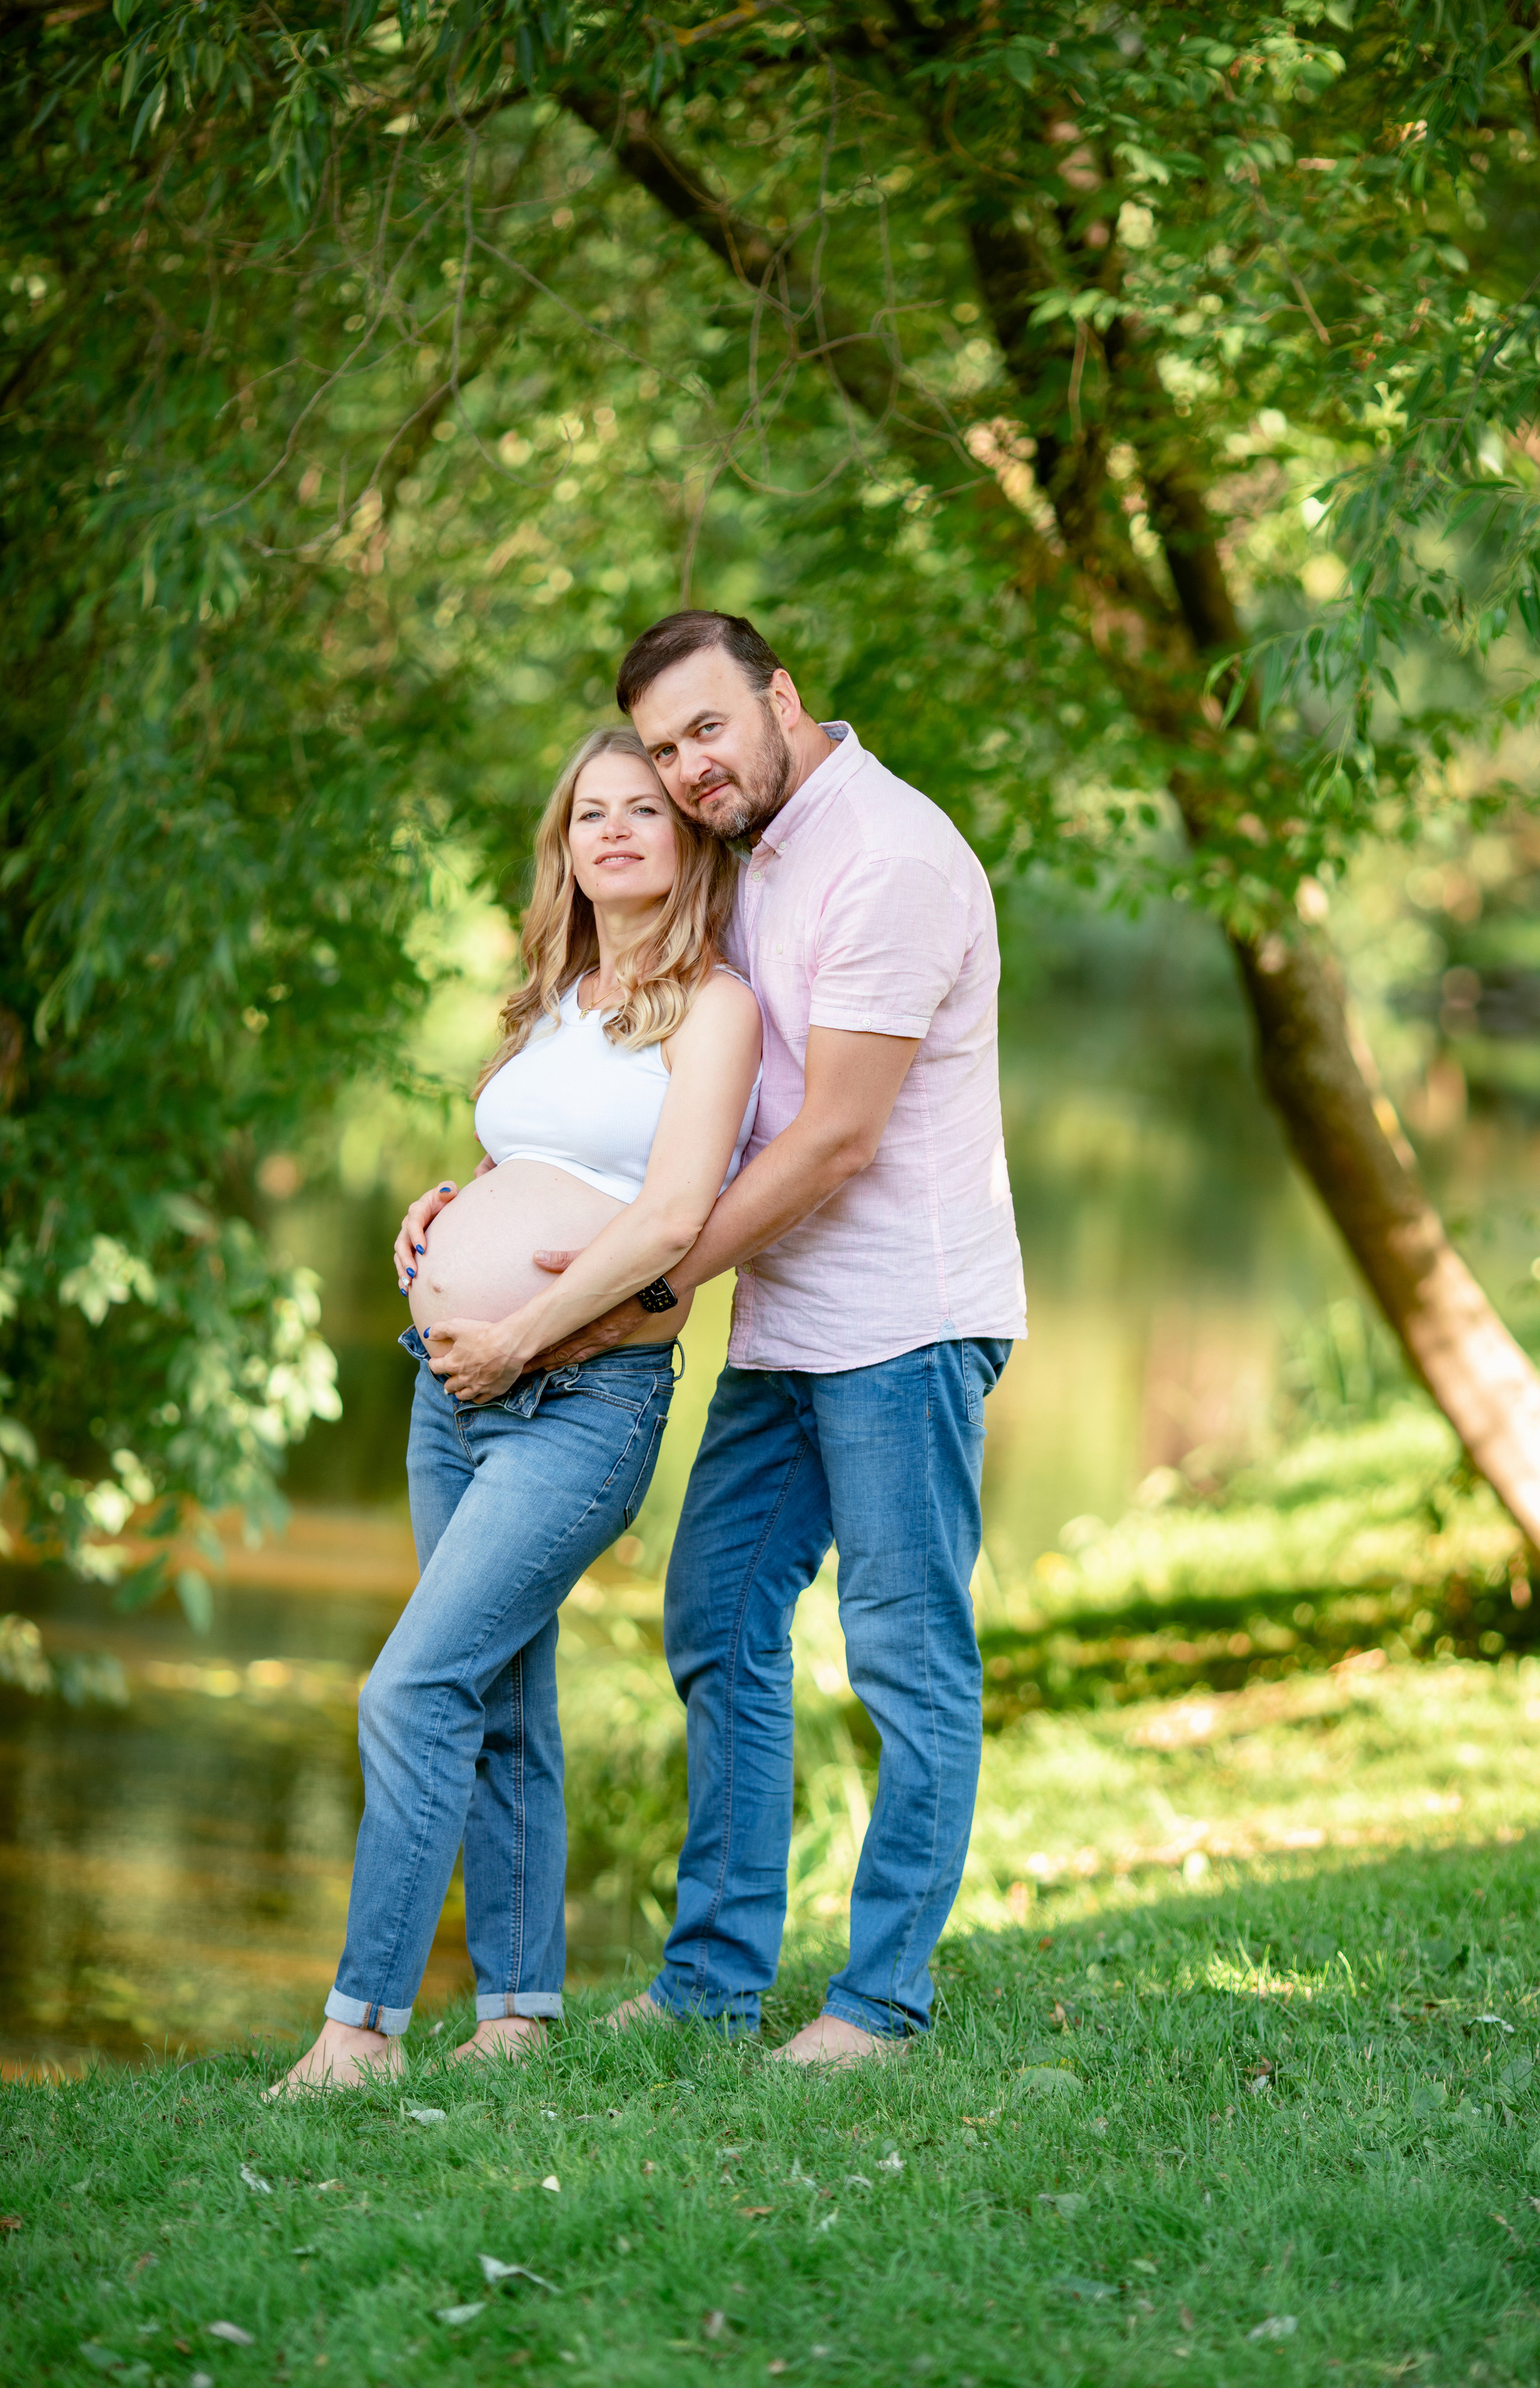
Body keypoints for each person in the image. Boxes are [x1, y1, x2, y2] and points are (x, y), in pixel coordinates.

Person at [537, 612, 1026, 2063]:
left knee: (902, 1655)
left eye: (705, 729)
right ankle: (711, 1978)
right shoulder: (757, 859)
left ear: (780, 698)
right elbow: (675, 1093)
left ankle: (879, 2000)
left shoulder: (886, 857)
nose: (687, 767)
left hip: (906, 1328)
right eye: (663, 745)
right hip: (788, 1324)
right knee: (717, 1621)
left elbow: (831, 1141)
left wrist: (642, 1290)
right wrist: (491, 1211)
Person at [269, 723, 761, 2093]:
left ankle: (360, 2027)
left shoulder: (714, 1007)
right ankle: (517, 2011)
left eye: (643, 810)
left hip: (581, 1396)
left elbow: (671, 1214)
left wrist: (519, 1335)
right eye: (588, 811)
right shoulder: (554, 992)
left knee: (411, 1684)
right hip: (453, 1394)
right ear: (567, 845)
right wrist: (448, 1205)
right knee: (497, 1691)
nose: (612, 830)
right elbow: (531, 1157)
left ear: (687, 839)